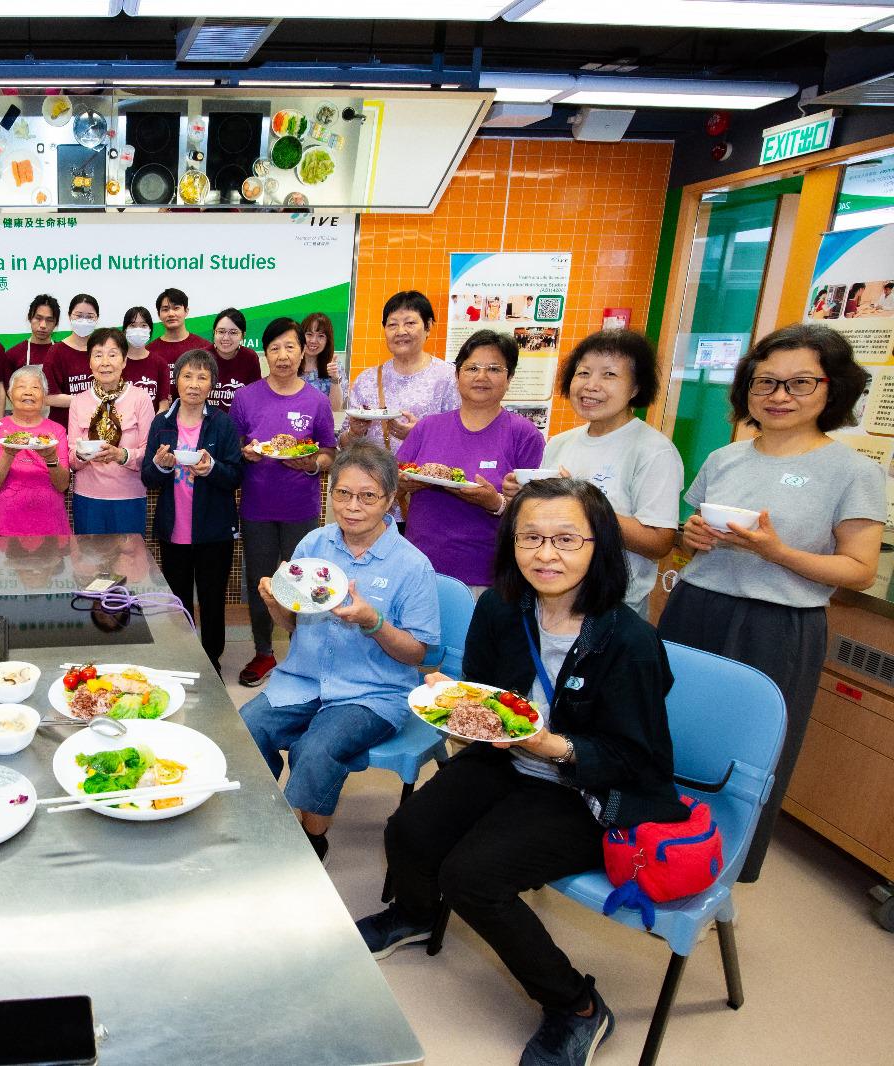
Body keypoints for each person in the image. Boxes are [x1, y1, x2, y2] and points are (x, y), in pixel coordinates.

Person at [357, 477, 687, 1066]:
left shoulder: (630, 642)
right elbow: (488, 701)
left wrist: (553, 745)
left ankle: (577, 1007)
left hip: (587, 787)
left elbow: (639, 762)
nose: (546, 554)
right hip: (509, 760)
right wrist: (458, 704)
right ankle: (415, 914)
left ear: (599, 545)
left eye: (566, 538)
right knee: (408, 828)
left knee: (472, 877)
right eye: (530, 537)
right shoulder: (501, 607)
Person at [659, 323, 882, 882]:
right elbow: (687, 540)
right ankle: (646, 839)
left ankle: (721, 866)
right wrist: (693, 536)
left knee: (747, 753)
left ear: (833, 389)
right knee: (667, 725)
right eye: (766, 382)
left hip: (779, 625)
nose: (780, 395)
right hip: (695, 608)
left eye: (800, 382)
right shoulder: (725, 457)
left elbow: (859, 570)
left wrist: (777, 552)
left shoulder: (854, 471)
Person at [239, 443, 439, 859]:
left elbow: (418, 654)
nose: (352, 507)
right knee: (245, 727)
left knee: (315, 749)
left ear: (390, 498)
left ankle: (312, 839)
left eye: (367, 496)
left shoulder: (412, 564)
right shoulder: (313, 545)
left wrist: (374, 622)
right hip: (303, 680)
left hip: (372, 693)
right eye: (343, 493)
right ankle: (260, 818)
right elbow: (293, 624)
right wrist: (276, 603)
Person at [503, 330, 681, 618]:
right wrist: (522, 497)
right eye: (583, 373)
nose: (591, 385)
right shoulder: (560, 443)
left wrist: (582, 503)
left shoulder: (654, 450)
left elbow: (659, 542)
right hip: (550, 597)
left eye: (609, 375)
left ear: (636, 387)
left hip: (612, 605)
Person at [231, 317, 338, 688]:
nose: (282, 355)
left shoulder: (316, 401)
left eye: (290, 346)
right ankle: (263, 652)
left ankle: (302, 654)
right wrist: (245, 453)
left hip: (301, 509)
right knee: (260, 581)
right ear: (265, 353)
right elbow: (234, 446)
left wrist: (312, 464)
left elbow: (329, 452)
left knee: (302, 583)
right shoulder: (246, 397)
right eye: (274, 348)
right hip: (257, 508)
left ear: (303, 350)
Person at [396, 330, 544, 593]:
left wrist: (496, 503)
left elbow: (538, 511)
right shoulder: (427, 427)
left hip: (486, 577)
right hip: (418, 569)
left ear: (509, 378)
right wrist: (403, 486)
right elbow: (390, 487)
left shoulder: (524, 435)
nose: (481, 376)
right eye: (472, 368)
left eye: (494, 369)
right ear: (457, 375)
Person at [143, 350, 244, 675]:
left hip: (214, 530)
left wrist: (211, 468)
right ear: (176, 381)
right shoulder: (162, 422)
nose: (194, 384)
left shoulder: (222, 423)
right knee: (179, 601)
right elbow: (148, 477)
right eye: (187, 376)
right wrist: (162, 465)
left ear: (212, 384)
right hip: (174, 530)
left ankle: (212, 662)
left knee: (213, 600)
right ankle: (184, 660)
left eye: (202, 377)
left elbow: (235, 475)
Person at [340, 290, 459, 454]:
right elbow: (343, 444)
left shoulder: (449, 377)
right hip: (374, 470)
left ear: (428, 326)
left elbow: (460, 438)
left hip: (425, 470)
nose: (401, 331)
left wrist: (421, 435)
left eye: (410, 323)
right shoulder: (367, 379)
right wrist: (354, 433)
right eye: (392, 325)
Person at [68, 328, 155, 535]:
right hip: (87, 498)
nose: (105, 362)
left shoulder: (141, 398)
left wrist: (121, 455)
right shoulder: (78, 401)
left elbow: (149, 453)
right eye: (98, 355)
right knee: (88, 556)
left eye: (113, 355)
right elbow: (71, 458)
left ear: (124, 361)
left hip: (129, 497)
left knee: (130, 556)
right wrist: (82, 455)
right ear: (89, 362)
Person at [0, 366, 71, 537]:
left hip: (49, 523)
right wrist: (8, 454)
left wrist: (51, 458)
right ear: (10, 394)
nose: (28, 392)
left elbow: (62, 485)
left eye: (35, 387)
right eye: (21, 386)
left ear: (44, 396)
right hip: (5, 524)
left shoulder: (56, 431)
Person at [0, 294, 61, 415]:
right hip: (23, 419)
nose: (43, 325)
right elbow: (7, 392)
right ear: (30, 318)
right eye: (38, 318)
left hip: (56, 420)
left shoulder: (62, 353)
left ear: (56, 324)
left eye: (49, 320)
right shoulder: (13, 355)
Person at [44, 293, 101, 427]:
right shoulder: (56, 352)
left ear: (97, 318)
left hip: (99, 426)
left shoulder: (103, 350)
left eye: (90, 316)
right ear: (70, 316)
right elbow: (48, 397)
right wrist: (86, 400)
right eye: (79, 315)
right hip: (65, 427)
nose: (84, 320)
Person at [206, 307, 263, 410]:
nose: (226, 338)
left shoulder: (250, 357)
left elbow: (255, 396)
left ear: (242, 335)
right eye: (221, 332)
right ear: (214, 332)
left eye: (233, 332)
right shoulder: (203, 357)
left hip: (239, 418)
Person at [120, 305, 172, 410]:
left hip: (154, 420)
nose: (138, 330)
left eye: (143, 325)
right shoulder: (117, 362)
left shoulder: (160, 363)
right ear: (125, 330)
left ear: (150, 330)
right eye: (133, 325)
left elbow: (164, 405)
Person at [147, 287, 212, 367]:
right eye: (165, 309)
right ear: (158, 315)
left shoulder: (204, 347)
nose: (171, 314)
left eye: (176, 308)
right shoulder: (149, 352)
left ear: (186, 311)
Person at [300, 311, 346, 410]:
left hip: (321, 420)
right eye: (309, 334)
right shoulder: (291, 364)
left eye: (321, 336)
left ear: (327, 341)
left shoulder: (334, 366)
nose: (313, 340)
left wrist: (335, 378)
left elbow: (335, 408)